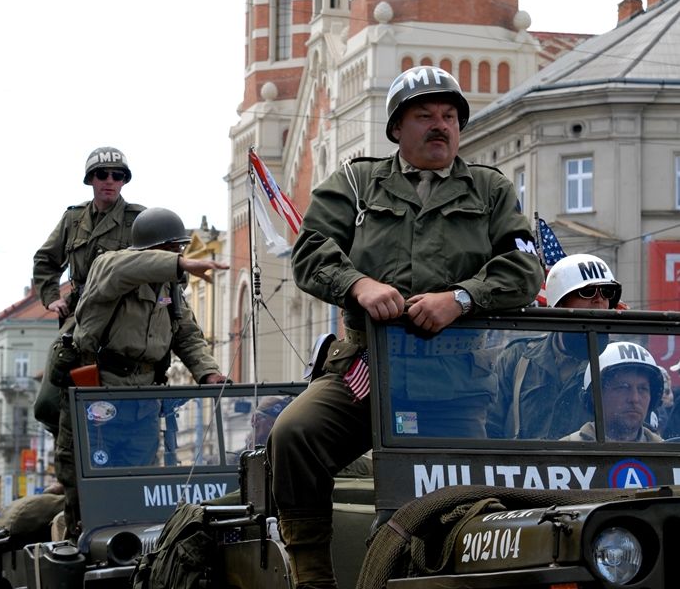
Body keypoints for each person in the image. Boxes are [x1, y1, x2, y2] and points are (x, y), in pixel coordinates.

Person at [267, 64, 543, 589]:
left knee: (464, 498)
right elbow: (308, 252)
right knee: (293, 434)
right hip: (368, 369)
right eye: (424, 116)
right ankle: (313, 576)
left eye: (449, 117)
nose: (440, 126)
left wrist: (461, 298)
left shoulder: (489, 189)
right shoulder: (356, 182)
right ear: (397, 128)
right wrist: (357, 284)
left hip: (454, 379)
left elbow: (524, 268)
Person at [54, 206, 229, 539]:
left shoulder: (169, 290)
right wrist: (179, 264)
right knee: (89, 502)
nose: (179, 254)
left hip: (143, 404)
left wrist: (209, 374)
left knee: (142, 491)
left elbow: (187, 335)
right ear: (150, 251)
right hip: (96, 401)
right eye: (172, 248)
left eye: (180, 248)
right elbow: (124, 268)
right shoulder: (109, 268)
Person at [32, 146, 145, 435]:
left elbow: (163, 263)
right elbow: (45, 259)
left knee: (112, 410)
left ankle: (103, 471)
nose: (109, 180)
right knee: (48, 404)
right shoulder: (73, 219)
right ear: (90, 179)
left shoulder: (139, 220)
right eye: (101, 174)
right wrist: (51, 299)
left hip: (123, 317)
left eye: (117, 175)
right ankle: (69, 476)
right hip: (79, 315)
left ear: (124, 180)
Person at [487, 253, 622, 439]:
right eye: (587, 291)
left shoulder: (617, 361)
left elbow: (632, 434)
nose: (599, 300)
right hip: (524, 465)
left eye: (607, 292)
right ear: (560, 303)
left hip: (591, 466)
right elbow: (490, 426)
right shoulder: (519, 357)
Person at [562, 340, 664, 442]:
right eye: (623, 387)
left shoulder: (667, 454)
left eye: (642, 389)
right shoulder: (564, 452)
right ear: (595, 397)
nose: (634, 398)